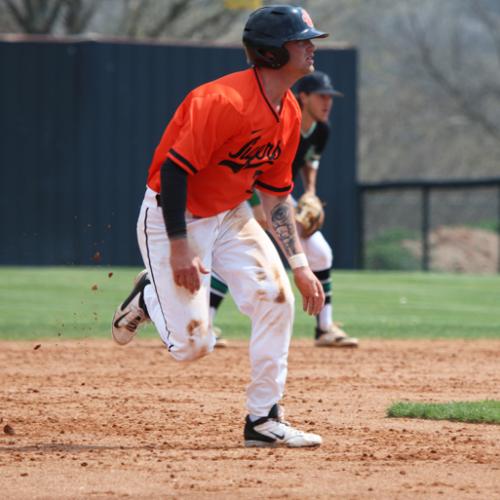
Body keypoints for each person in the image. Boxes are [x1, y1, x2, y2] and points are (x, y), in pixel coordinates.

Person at [111, 5, 329, 448]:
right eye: (301, 40)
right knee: (194, 347)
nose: (310, 47)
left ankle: (263, 419)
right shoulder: (219, 101)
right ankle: (149, 299)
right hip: (175, 216)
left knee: (277, 298)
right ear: (271, 53)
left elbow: (274, 195)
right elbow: (174, 173)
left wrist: (301, 265)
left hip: (231, 215)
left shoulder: (288, 112)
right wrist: (178, 247)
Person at [210, 70, 359, 348]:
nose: (328, 102)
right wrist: (255, 206)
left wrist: (311, 193)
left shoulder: (321, 130)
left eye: (330, 97)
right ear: (303, 97)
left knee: (320, 253)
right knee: (234, 256)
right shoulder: (281, 122)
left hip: (277, 195)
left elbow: (309, 162)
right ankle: (202, 324)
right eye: (321, 96)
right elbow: (253, 167)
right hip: (244, 193)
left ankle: (325, 328)